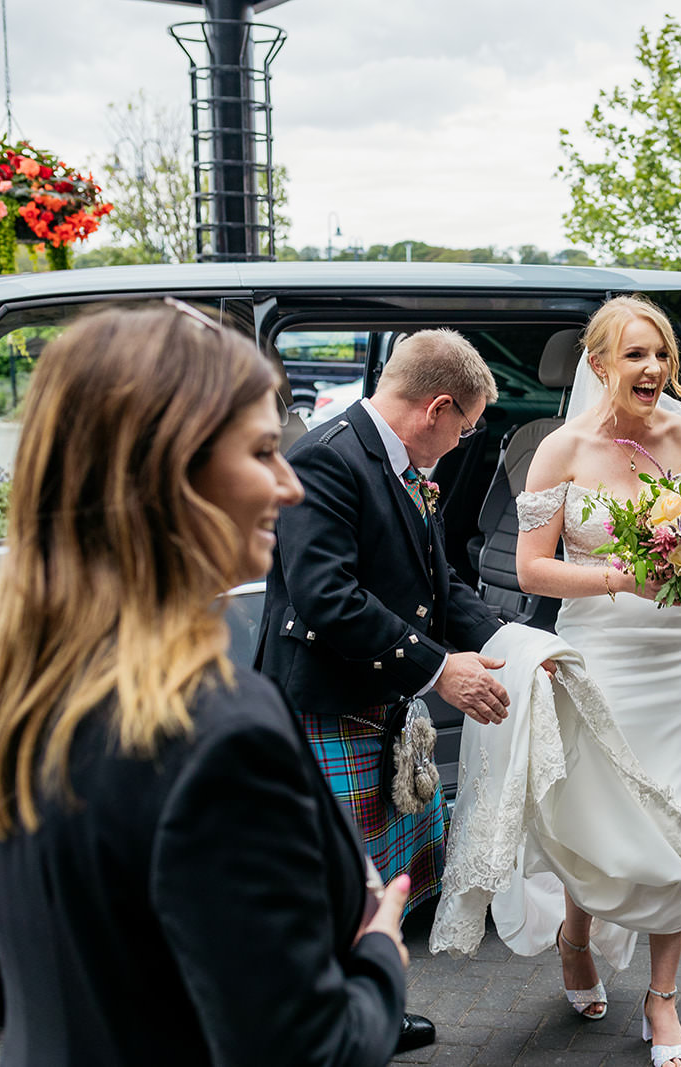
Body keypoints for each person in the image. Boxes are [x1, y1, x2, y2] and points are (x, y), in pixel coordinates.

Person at [0, 304, 410, 1067]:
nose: (289, 487)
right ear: (167, 472)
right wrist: (381, 955)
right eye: (261, 451)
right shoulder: (221, 732)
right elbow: (307, 1051)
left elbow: (18, 943)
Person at [257, 328, 507, 1052]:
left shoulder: (392, 461)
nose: (459, 444)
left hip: (374, 702)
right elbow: (328, 597)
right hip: (326, 703)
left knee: (377, 881)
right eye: (462, 427)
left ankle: (371, 1009)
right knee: (333, 882)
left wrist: (509, 643)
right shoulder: (328, 460)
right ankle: (321, 1028)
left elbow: (437, 584)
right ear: (436, 408)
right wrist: (437, 669)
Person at [510, 294, 681, 1067]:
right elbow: (531, 565)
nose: (653, 369)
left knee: (678, 812)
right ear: (598, 364)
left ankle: (662, 998)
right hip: (601, 651)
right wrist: (617, 575)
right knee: (598, 808)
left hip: (680, 652)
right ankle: (577, 938)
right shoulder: (560, 449)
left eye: (661, 354)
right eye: (635, 355)